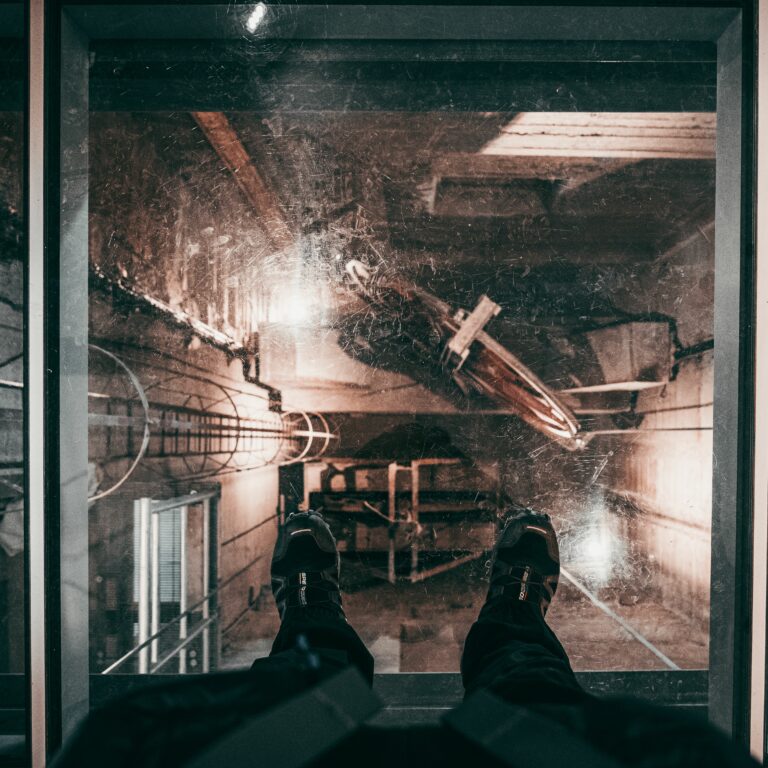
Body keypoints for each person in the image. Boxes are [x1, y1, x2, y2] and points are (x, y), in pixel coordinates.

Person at [53, 510, 758, 768]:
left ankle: (314, 614)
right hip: (522, 750)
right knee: (526, 685)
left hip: (292, 747)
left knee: (298, 683)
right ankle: (514, 617)